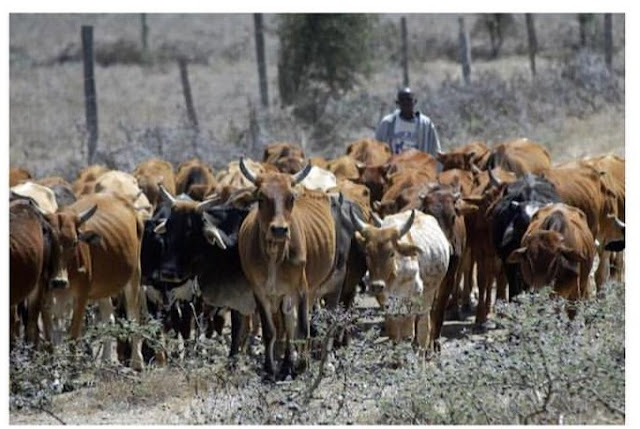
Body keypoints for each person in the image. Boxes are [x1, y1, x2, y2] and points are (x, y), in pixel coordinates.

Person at [375, 87, 442, 159]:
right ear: (397, 103)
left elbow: (435, 151)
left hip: (417, 164)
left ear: (415, 101)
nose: (406, 103)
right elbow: (377, 149)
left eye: (409, 100)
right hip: (393, 164)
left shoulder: (426, 125)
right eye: (402, 100)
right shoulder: (387, 123)